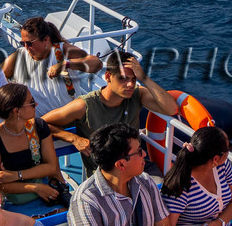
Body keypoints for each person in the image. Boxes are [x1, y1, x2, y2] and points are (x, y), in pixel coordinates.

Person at [43, 52, 179, 171]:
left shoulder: (137, 95)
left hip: (138, 167)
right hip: (105, 176)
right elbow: (41, 123)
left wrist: (144, 78)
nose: (130, 84)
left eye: (134, 79)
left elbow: (171, 109)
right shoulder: (84, 105)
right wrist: (73, 138)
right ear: (108, 77)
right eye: (123, 78)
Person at [0, 83, 65, 205]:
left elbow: (51, 167)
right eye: (31, 102)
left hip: (46, 192)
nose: (36, 104)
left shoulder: (39, 127)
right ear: (17, 111)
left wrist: (16, 175)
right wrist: (35, 188)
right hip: (14, 201)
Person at [3, 18, 103, 116]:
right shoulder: (19, 56)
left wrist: (65, 64)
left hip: (67, 119)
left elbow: (96, 64)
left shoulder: (62, 50)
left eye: (29, 43)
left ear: (46, 39)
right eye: (22, 43)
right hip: (35, 123)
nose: (25, 47)